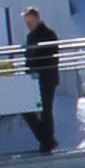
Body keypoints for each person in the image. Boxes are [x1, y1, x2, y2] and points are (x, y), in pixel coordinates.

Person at [25, 9, 62, 154]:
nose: (28, 24)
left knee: (46, 109)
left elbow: (51, 56)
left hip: (47, 77)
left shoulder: (48, 34)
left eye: (29, 21)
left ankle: (47, 141)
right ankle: (47, 140)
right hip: (35, 78)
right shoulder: (31, 37)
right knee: (29, 109)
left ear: (36, 18)